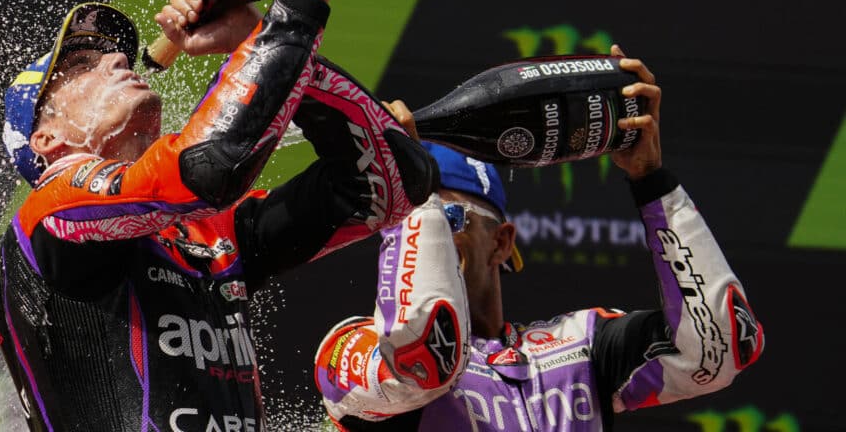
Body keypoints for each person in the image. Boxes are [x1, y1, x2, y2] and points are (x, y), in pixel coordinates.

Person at [0, 0, 438, 431]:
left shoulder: (210, 233)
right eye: (79, 66)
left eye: (113, 53)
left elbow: (391, 185)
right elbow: (204, 169)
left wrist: (256, 38)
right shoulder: (51, 214)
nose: (117, 60)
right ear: (46, 139)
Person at [314, 48, 765, 430]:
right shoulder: (352, 348)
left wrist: (652, 182)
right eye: (410, 220)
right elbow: (424, 360)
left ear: (501, 242)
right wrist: (415, 196)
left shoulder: (579, 348)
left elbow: (718, 350)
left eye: (450, 217)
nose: (431, 239)